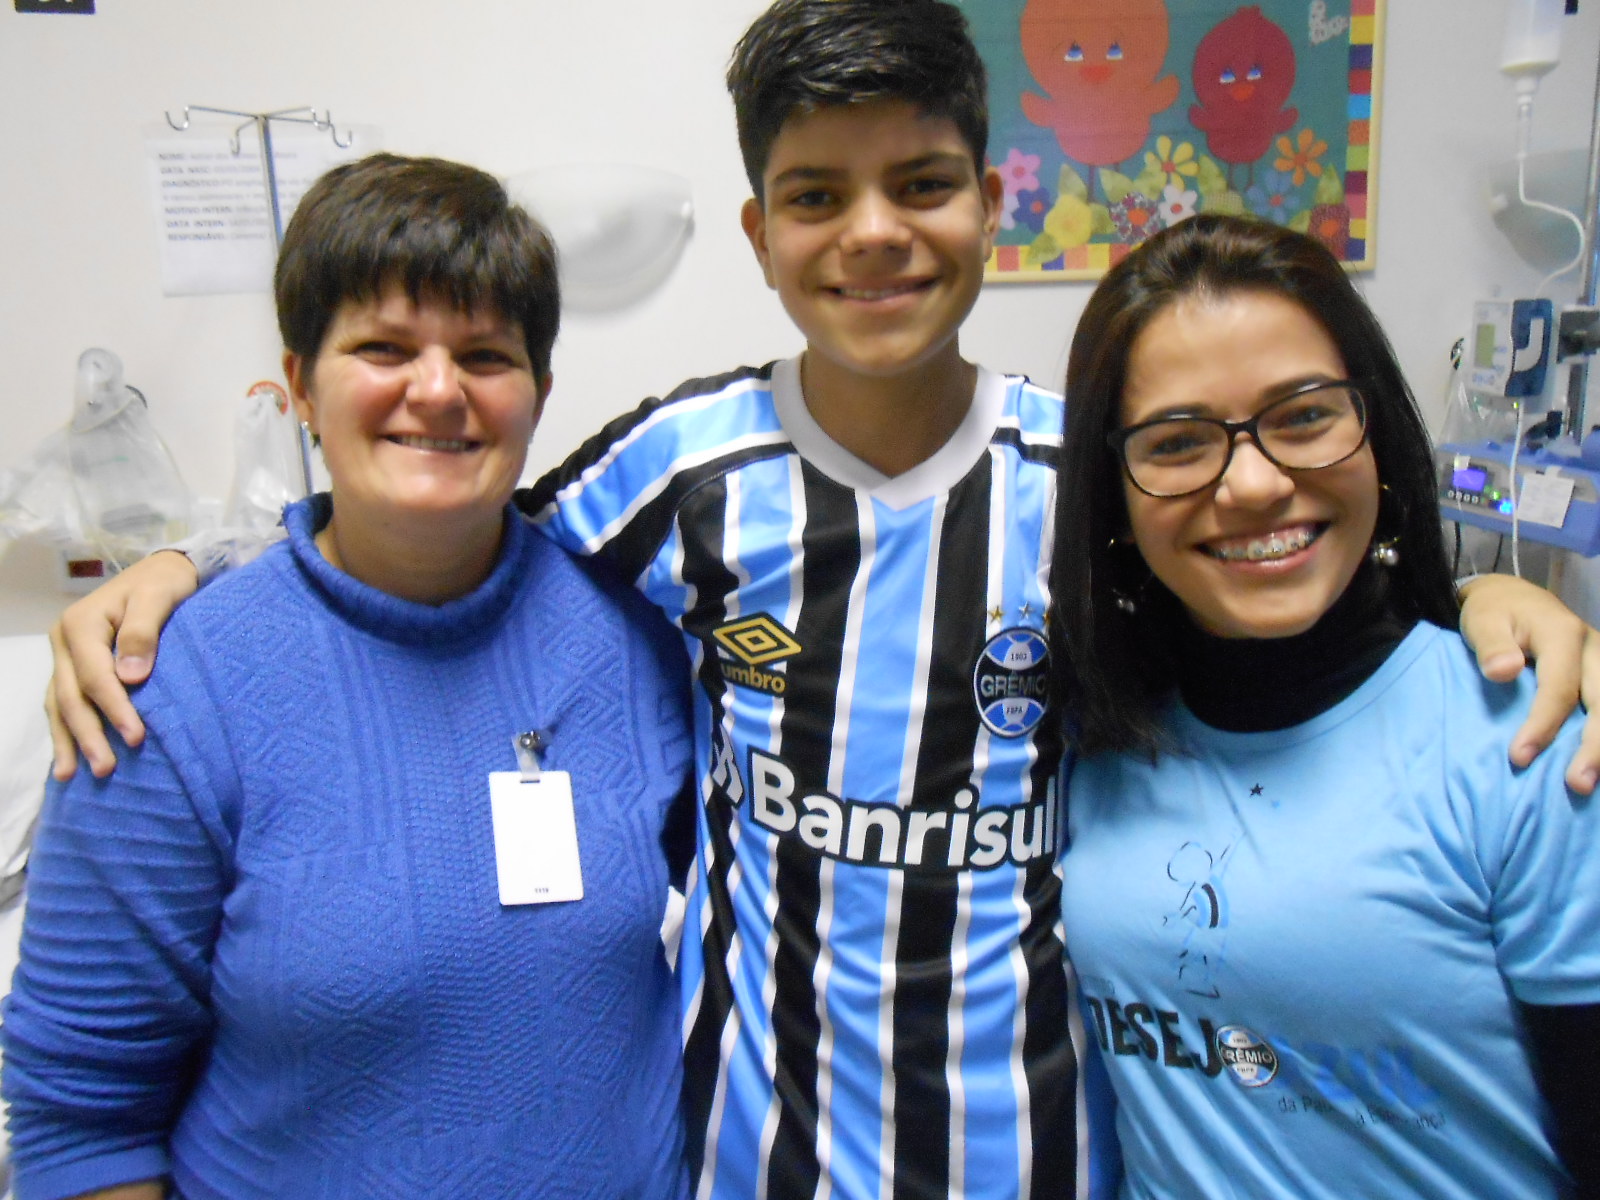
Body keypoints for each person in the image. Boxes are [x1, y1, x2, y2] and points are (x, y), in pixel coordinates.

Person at [36, 3, 1600, 1196]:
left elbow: (1286, 615)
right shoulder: (677, 468)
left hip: (1048, 1161)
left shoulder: (1097, 478)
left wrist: (1479, 611)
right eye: (815, 196)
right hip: (753, 1164)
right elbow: (440, 527)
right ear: (759, 233)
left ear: (991, 201)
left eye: (921, 183)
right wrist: (190, 576)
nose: (872, 234)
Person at [3, 154, 695, 1200]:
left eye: (485, 355)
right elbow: (81, 1116)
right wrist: (188, 561)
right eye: (381, 348)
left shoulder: (638, 629)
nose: (437, 390)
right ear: (299, 385)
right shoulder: (166, 690)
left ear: (540, 395)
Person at [1052, 213, 1600, 1198]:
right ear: (1113, 496)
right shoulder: (1089, 733)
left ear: (1376, 435)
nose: (1255, 483)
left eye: (1303, 416)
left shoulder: (1525, 735)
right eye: (1178, 442)